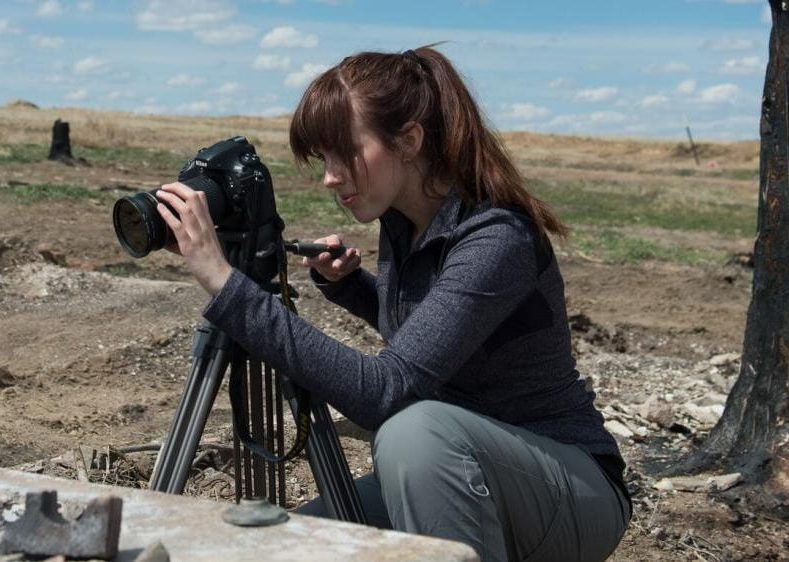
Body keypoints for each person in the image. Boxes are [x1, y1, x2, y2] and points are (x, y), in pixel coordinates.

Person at [152, 45, 631, 562]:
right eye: (324, 158)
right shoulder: (404, 223)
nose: (331, 177)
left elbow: (388, 391)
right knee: (283, 548)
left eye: (344, 152)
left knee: (412, 430)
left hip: (566, 487)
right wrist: (352, 287)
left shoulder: (497, 236)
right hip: (456, 468)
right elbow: (441, 332)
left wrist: (226, 285)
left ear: (409, 140)